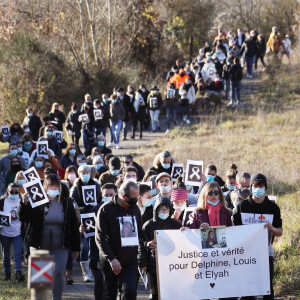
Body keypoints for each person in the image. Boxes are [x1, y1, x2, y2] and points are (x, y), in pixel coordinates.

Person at [18, 175, 80, 300]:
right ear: (45, 187)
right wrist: (24, 204)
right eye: (51, 186)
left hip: (60, 246)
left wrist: (75, 248)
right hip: (39, 245)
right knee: (41, 279)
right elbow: (23, 218)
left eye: (56, 186)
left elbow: (74, 226)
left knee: (58, 273)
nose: (54, 188)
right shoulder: (36, 202)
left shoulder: (66, 203)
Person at [233, 173, 283, 300]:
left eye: (261, 185)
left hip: (266, 252)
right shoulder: (242, 206)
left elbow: (280, 231)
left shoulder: (273, 207)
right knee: (247, 288)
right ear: (251, 187)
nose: (258, 188)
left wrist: (272, 229)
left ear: (265, 187)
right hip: (246, 253)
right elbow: (235, 229)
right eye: (255, 185)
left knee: (267, 287)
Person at [95, 181, 144, 300]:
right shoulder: (105, 210)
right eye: (133, 198)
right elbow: (100, 237)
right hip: (111, 259)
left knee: (130, 292)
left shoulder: (135, 209)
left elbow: (139, 231)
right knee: (109, 294)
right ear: (123, 196)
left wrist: (147, 242)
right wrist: (111, 258)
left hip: (130, 259)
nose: (135, 201)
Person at [140, 196, 181, 300]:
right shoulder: (148, 225)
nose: (164, 211)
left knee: (171, 292)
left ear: (170, 210)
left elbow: (182, 242)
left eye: (166, 208)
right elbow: (141, 243)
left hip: (172, 264)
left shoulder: (176, 225)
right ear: (156, 209)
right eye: (161, 208)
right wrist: (142, 261)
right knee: (155, 293)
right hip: (153, 265)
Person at [69, 165, 101, 282]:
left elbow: (101, 201)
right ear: (79, 174)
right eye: (82, 172)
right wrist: (81, 209)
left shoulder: (97, 186)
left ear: (91, 173)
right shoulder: (75, 188)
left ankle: (95, 270)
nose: (85, 174)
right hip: (81, 221)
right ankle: (86, 273)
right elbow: (72, 205)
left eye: (87, 172)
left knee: (94, 246)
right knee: (85, 247)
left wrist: (95, 207)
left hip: (94, 220)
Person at [0, 183, 25, 281]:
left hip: (17, 232)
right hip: (4, 233)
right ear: (7, 191)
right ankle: (7, 273)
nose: (14, 193)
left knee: (18, 254)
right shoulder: (2, 202)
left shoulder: (21, 201)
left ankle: (18, 272)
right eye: (12, 192)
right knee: (6, 255)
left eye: (16, 192)